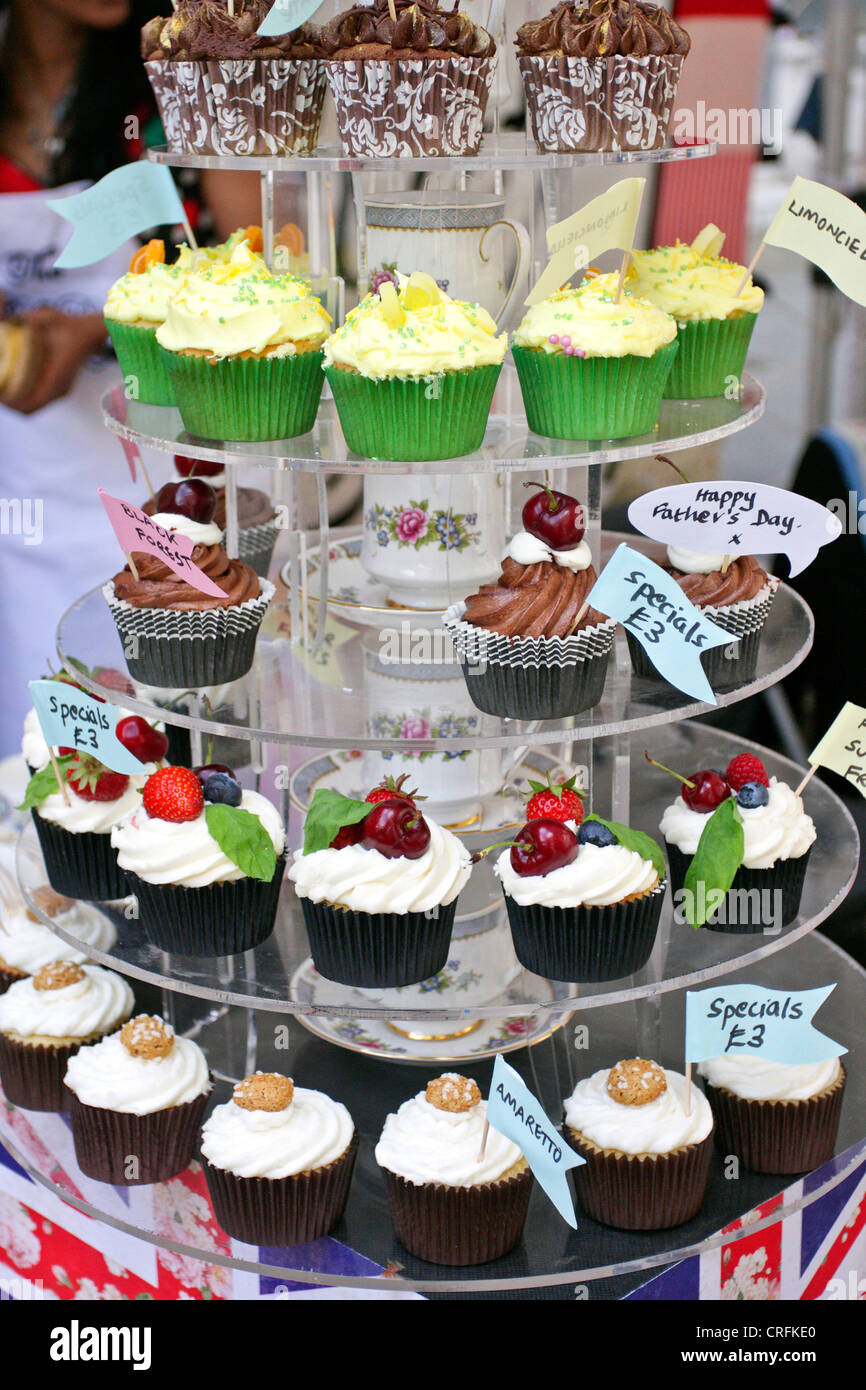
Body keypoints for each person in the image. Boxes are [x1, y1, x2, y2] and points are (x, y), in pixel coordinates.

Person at [0, 0, 259, 754]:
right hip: (20, 506)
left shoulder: (182, 84)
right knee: (43, 774)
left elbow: (266, 275)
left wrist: (101, 327)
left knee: (167, 768)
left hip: (167, 497)